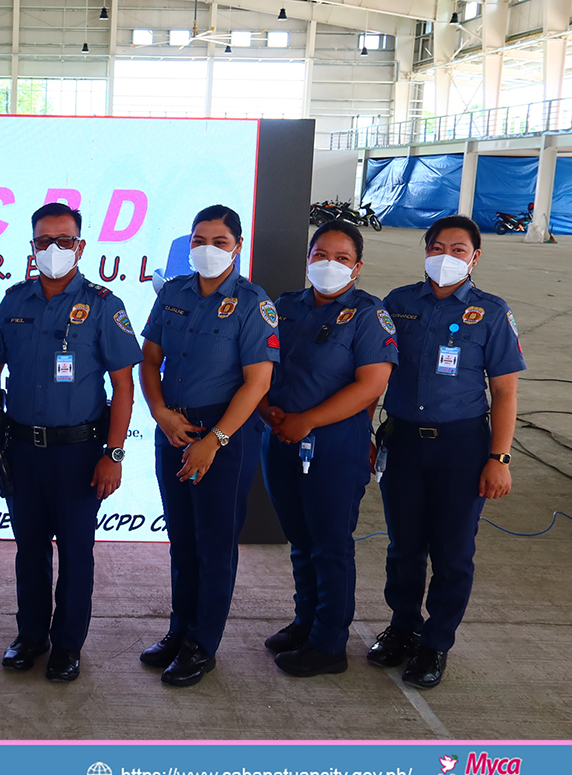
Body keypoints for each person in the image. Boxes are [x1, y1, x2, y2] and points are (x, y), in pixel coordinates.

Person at [0, 202, 142, 683]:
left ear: (80, 246)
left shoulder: (104, 304)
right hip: (23, 451)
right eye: (43, 241)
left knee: (75, 551)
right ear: (32, 247)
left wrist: (113, 454)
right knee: (28, 550)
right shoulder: (14, 300)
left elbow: (123, 387)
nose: (53, 249)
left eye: (63, 240)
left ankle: (67, 644)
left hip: (79, 453)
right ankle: (31, 636)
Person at [368, 215, 524, 689]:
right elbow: (375, 371)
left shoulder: (491, 313)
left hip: (461, 447)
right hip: (403, 441)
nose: (446, 257)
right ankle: (403, 626)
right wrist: (368, 432)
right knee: (404, 546)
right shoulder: (397, 303)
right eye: (437, 247)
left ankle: (436, 642)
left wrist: (499, 458)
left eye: (458, 249)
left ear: (475, 257)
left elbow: (505, 393)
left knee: (453, 551)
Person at [137, 204, 278, 688]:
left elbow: (257, 384)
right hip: (172, 430)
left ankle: (203, 645)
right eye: (199, 240)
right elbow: (150, 359)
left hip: (223, 441)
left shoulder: (253, 303)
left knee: (215, 545)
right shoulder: (174, 291)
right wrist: (159, 413)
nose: (207, 249)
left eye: (219, 241)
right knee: (183, 541)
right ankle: (180, 631)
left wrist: (214, 440)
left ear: (237, 247)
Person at [256, 220, 397, 677]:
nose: (329, 265)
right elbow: (259, 364)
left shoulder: (368, 314)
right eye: (320, 255)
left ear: (357, 267)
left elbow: (371, 384)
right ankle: (305, 622)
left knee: (330, 546)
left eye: (341, 258)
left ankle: (329, 643)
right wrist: (266, 411)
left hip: (334, 446)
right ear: (308, 259)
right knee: (301, 541)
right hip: (279, 439)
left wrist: (308, 420)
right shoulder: (284, 306)